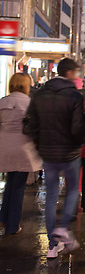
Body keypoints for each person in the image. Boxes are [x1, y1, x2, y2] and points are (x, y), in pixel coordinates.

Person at [24, 58, 85, 258]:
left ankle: (52, 245)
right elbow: (77, 127)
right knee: (72, 191)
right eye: (76, 73)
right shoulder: (74, 96)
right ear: (69, 73)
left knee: (51, 196)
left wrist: (38, 145)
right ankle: (62, 228)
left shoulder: (40, 93)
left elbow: (31, 123)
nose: (77, 77)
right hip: (69, 153)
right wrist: (81, 142)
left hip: (48, 153)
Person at [0, 73, 42, 235]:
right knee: (18, 187)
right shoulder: (30, 103)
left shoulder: (3, 101)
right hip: (23, 149)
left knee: (10, 184)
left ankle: (3, 217)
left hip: (6, 149)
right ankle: (12, 225)